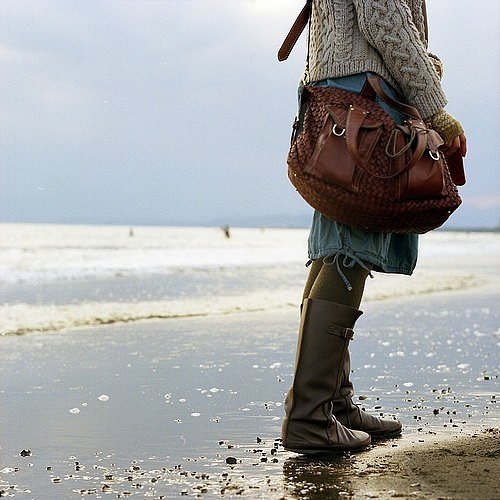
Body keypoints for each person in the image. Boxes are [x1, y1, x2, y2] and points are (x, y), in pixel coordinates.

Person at [281, 0, 467, 454]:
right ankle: (310, 416)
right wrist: (435, 109)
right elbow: (385, 21)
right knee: (349, 248)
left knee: (334, 247)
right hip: (362, 100)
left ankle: (332, 404)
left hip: (341, 99)